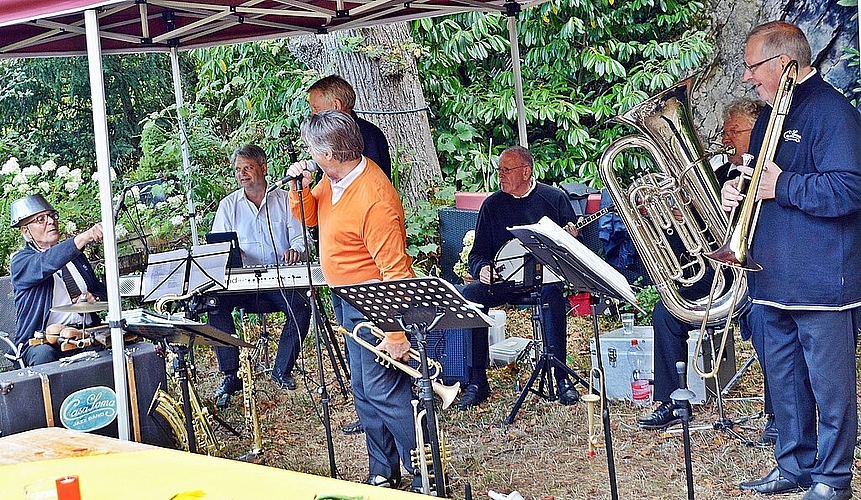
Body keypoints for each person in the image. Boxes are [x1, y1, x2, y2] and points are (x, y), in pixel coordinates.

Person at [722, 21, 861, 500]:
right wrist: (739, 193)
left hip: (822, 280)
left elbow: (850, 188)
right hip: (771, 276)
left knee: (830, 391)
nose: (747, 78)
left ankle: (833, 478)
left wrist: (781, 185)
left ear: (784, 61)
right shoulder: (768, 116)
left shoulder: (832, 111)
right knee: (784, 383)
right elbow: (764, 180)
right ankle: (793, 466)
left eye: (751, 66)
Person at [285, 110, 419, 491]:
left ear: (329, 153)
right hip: (346, 297)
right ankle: (383, 469)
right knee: (362, 388)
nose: (309, 155)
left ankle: (424, 467)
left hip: (374, 302)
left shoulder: (374, 199)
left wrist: (395, 333)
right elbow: (312, 219)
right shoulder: (333, 179)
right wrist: (300, 189)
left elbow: (395, 270)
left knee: (383, 389)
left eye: (312, 151)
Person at [637, 98, 778, 449]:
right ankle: (674, 399)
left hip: (759, 275)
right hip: (715, 274)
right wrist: (679, 218)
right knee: (666, 312)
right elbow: (696, 234)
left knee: (766, 322)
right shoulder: (716, 175)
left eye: (735, 131)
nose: (726, 139)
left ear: (757, 131)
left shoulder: (772, 171)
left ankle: (778, 415)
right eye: (726, 131)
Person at [457, 145, 582, 410]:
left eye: (506, 170)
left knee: (552, 294)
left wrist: (571, 240)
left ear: (526, 172)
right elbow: (478, 254)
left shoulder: (554, 198)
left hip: (545, 279)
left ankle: (561, 377)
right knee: (470, 296)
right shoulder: (492, 205)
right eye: (499, 170)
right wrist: (481, 270)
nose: (500, 175)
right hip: (504, 279)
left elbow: (573, 252)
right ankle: (477, 380)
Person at [309, 74, 392, 435]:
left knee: (376, 377)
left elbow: (367, 205)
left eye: (317, 109)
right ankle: (381, 463)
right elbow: (320, 202)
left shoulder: (363, 143)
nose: (312, 114)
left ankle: (414, 455)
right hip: (344, 280)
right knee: (360, 372)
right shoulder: (330, 166)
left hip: (367, 279)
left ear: (337, 108)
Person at [209, 144, 312, 408]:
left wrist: (296, 250)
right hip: (241, 284)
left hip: (279, 281)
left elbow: (302, 238)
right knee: (215, 306)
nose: (242, 174)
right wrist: (231, 254)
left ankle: (281, 369)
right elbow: (216, 250)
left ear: (263, 169)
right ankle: (231, 375)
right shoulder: (228, 206)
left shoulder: (284, 199)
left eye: (248, 168)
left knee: (301, 307)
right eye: (238, 170)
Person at [9, 194, 107, 366]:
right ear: (26, 230)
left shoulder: (76, 258)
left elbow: (101, 290)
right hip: (44, 340)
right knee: (43, 356)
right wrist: (84, 237)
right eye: (40, 219)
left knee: (122, 345)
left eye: (52, 216)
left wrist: (94, 297)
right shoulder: (21, 262)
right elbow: (47, 262)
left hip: (84, 334)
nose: (50, 221)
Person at [308, 75, 392, 179]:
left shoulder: (369, 135)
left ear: (336, 106)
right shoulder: (329, 135)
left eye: (316, 108)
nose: (313, 114)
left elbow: (375, 181)